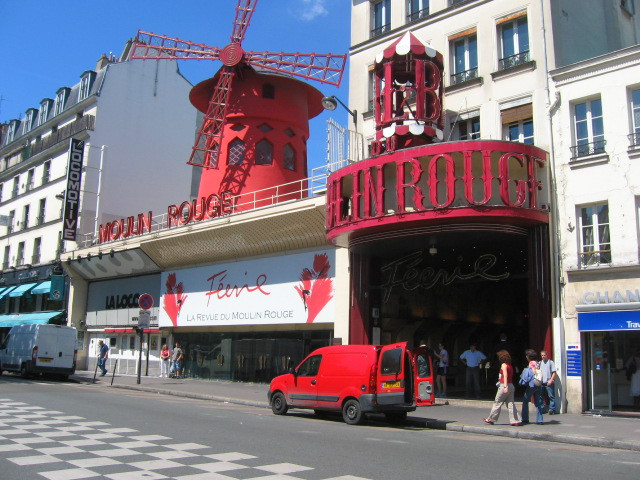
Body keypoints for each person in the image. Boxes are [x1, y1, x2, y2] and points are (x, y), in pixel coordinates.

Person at [483, 350, 521, 426]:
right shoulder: (510, 365)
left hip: (504, 385)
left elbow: (505, 375)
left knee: (497, 402)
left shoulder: (503, 365)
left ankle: (491, 419)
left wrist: (505, 386)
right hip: (511, 385)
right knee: (511, 404)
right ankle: (515, 420)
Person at [521, 349, 544, 425]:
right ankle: (540, 419)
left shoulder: (531, 363)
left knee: (525, 400)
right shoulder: (537, 362)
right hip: (538, 384)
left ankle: (525, 418)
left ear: (528, 356)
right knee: (538, 402)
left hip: (532, 384)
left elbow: (533, 372)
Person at [539, 350, 557, 414]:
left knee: (551, 396)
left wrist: (551, 380)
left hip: (548, 382)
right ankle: (542, 408)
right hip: (542, 383)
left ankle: (552, 409)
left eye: (544, 355)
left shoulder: (550, 362)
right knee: (541, 396)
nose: (543, 356)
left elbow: (554, 373)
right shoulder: (540, 363)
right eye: (542, 355)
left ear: (547, 355)